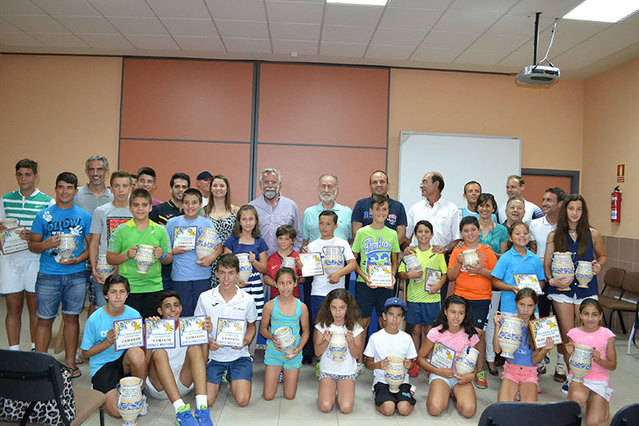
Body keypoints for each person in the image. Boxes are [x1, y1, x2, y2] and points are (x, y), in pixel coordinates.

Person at [29, 172, 92, 378]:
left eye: (69, 187)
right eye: (60, 187)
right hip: (48, 274)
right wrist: (45, 244)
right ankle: (39, 365)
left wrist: (79, 259)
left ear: (76, 190)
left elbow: (91, 246)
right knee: (44, 320)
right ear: (55, 189)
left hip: (76, 275)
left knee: (72, 319)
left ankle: (71, 364)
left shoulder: (84, 216)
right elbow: (33, 245)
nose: (64, 191)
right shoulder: (43, 215)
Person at [544, 195, 606, 390]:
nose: (575, 213)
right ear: (565, 211)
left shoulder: (593, 233)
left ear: (583, 212)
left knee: (585, 333)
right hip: (561, 289)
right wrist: (550, 280)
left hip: (585, 287)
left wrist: (598, 266)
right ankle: (573, 378)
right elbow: (547, 263)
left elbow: (602, 256)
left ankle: (585, 373)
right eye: (571, 209)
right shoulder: (554, 235)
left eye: (579, 209)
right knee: (569, 334)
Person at [0, 159, 54, 351]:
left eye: (28, 174)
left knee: (35, 309)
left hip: (36, 260)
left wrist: (34, 236)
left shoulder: (47, 201)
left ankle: (34, 350)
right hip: (10, 260)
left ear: (36, 176)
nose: (23, 178)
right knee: (13, 308)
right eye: (20, 174)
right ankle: (13, 351)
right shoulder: (5, 199)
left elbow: (50, 233)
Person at [80, 274, 146, 418]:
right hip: (102, 365)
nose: (118, 296)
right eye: (113, 292)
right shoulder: (95, 319)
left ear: (127, 294)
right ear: (106, 295)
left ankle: (139, 394)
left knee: (137, 353)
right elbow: (84, 354)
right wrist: (107, 343)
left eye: (122, 292)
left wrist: (152, 331)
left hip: (124, 362)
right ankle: (102, 388)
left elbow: (140, 345)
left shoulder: (134, 314)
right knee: (118, 413)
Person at [196, 254, 257, 407]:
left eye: (231, 273)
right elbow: (197, 327)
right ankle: (221, 376)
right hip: (214, 356)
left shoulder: (247, 299)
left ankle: (232, 375)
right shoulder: (205, 297)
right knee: (207, 402)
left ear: (237, 274)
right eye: (222, 273)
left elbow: (251, 326)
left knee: (242, 401)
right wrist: (208, 341)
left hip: (239, 355)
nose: (226, 278)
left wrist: (246, 340)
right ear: (216, 273)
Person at [145, 291, 213, 426]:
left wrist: (205, 336)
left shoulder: (190, 325)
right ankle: (180, 410)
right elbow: (145, 365)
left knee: (194, 348)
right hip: (158, 386)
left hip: (183, 384)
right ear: (160, 310)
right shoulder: (153, 326)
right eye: (167, 306)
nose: (173, 309)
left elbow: (203, 361)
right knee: (159, 353)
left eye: (176, 305)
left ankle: (202, 409)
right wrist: (148, 336)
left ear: (181, 308)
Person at [447, 216, 497, 389]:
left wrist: (481, 270)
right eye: (466, 231)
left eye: (473, 230)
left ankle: (478, 370)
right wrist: (458, 262)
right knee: (458, 332)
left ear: (478, 231)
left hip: (482, 298)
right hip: (461, 297)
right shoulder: (457, 251)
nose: (470, 233)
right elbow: (451, 276)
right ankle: (460, 366)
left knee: (477, 335)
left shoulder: (487, 250)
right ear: (461, 233)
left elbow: (495, 274)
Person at [107, 188, 172, 318]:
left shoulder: (160, 230)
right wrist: (126, 256)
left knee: (152, 329)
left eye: (144, 205)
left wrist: (162, 255)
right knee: (132, 330)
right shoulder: (121, 230)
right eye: (136, 205)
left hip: (154, 287)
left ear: (150, 208)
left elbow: (169, 259)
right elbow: (110, 258)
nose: (140, 208)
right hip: (129, 288)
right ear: (130, 207)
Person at [398, 220, 447, 377]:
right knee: (415, 330)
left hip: (432, 299)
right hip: (414, 297)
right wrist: (408, 275)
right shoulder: (410, 253)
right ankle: (413, 362)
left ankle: (426, 360)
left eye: (427, 232)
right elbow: (400, 273)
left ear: (432, 234)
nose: (423, 235)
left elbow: (445, 274)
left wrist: (439, 285)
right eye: (420, 232)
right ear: (415, 235)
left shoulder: (437, 254)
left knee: (429, 331)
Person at [417, 295, 480, 419]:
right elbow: (420, 358)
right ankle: (442, 392)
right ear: (445, 312)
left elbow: (476, 366)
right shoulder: (436, 332)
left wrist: (471, 376)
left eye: (461, 313)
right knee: (435, 409)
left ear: (465, 314)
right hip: (440, 374)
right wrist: (437, 371)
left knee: (469, 411)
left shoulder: (471, 335)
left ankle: (454, 394)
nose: (456, 317)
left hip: (461, 377)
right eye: (453, 312)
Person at [165, 189, 222, 316]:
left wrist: (211, 258)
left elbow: (219, 247)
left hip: (202, 276)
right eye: (186, 203)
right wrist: (173, 251)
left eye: (194, 203)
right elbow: (163, 249)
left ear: (201, 204)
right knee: (182, 314)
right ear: (181, 204)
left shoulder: (207, 223)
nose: (190, 206)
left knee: (201, 315)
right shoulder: (172, 223)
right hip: (180, 277)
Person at [529, 187, 566, 376]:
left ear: (560, 204)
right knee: (541, 320)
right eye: (543, 199)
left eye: (549, 200)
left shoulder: (568, 226)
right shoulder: (534, 225)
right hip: (541, 281)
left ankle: (561, 362)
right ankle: (541, 358)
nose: (544, 203)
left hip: (562, 282)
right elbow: (532, 252)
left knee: (562, 321)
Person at [493, 288, 554, 402]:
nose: (525, 309)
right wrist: (497, 326)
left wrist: (545, 350)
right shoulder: (508, 322)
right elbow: (497, 350)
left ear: (535, 306)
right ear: (516, 303)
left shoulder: (538, 327)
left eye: (530, 306)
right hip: (510, 370)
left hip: (529, 372)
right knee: (503, 409)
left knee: (528, 411)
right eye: (522, 304)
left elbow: (535, 360)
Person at [352, 194, 400, 335]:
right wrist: (365, 277)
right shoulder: (362, 233)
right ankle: (359, 357)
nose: (381, 213)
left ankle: (381, 357)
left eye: (384, 209)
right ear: (371, 211)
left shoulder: (392, 234)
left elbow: (395, 261)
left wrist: (392, 276)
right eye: (377, 209)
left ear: (388, 211)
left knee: (384, 322)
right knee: (363, 323)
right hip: (365, 283)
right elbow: (353, 260)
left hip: (385, 285)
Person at [260, 267, 310, 400]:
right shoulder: (269, 306)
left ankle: (285, 373)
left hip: (293, 354)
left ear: (295, 283)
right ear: (276, 284)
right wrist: (272, 337)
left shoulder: (302, 307)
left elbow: (306, 332)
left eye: (289, 282)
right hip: (274, 353)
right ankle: (277, 371)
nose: (285, 287)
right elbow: (263, 330)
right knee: (268, 396)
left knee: (289, 396)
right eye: (281, 283)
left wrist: (298, 349)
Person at [363, 297, 417, 417]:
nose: (395, 319)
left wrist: (410, 364)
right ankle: (379, 394)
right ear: (384, 316)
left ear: (403, 318)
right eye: (391, 315)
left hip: (402, 380)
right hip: (382, 380)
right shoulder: (375, 337)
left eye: (399, 315)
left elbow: (412, 362)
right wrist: (378, 365)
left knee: (404, 410)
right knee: (388, 409)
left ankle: (404, 395)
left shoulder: (407, 338)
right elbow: (368, 363)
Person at [566, 299, 616, 426]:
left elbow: (613, 365)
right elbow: (570, 363)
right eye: (586, 314)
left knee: (594, 422)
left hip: (599, 380)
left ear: (600, 316)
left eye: (594, 314)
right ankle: (586, 397)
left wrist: (599, 360)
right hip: (579, 378)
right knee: (577, 400)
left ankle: (601, 401)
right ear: (581, 315)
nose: (590, 318)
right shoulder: (573, 333)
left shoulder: (607, 335)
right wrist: (569, 352)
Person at [88, 171, 132, 313]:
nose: (121, 190)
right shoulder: (101, 211)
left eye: (125, 186)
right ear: (110, 188)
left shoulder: (136, 211)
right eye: (117, 186)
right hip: (104, 269)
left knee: (127, 312)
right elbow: (94, 242)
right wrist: (94, 268)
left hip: (128, 267)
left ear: (131, 188)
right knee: (103, 310)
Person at [314, 288, 364, 414]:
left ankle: (342, 391)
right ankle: (329, 391)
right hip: (327, 371)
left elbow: (357, 355)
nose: (337, 312)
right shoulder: (322, 325)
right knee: (325, 407)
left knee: (346, 408)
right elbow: (317, 352)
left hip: (346, 372)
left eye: (342, 308)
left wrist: (351, 342)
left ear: (348, 308)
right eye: (333, 308)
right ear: (328, 308)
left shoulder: (355, 327)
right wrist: (325, 341)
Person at [476, 193, 509, 376]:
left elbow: (503, 258)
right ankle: (471, 360)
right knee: (475, 324)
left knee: (490, 322)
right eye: (481, 206)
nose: (484, 209)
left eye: (488, 205)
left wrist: (490, 253)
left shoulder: (502, 231)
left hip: (493, 281)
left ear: (493, 208)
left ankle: (490, 358)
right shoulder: (472, 226)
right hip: (474, 282)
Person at [305, 210, 356, 323]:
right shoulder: (312, 246)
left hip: (338, 292)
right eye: (321, 223)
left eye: (328, 224)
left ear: (335, 226)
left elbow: (352, 264)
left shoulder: (342, 243)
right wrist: (302, 264)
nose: (324, 227)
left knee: (337, 324)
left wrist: (339, 273)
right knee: (319, 326)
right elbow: (310, 271)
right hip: (318, 292)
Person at [223, 205, 268, 325]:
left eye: (251, 219)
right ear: (239, 222)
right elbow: (225, 266)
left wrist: (254, 262)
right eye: (244, 219)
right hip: (235, 284)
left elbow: (264, 268)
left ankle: (250, 344)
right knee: (236, 317)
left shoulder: (260, 241)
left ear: (256, 221)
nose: (248, 223)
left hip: (255, 285)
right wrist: (235, 280)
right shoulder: (232, 240)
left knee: (253, 320)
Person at [491, 222, 546, 316]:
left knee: (529, 331)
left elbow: (541, 281)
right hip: (509, 308)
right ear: (510, 238)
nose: (522, 236)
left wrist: (535, 291)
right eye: (517, 233)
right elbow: (495, 281)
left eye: (525, 233)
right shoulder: (505, 258)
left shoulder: (535, 259)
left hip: (531, 309)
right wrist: (511, 288)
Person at [249, 168, 302, 255]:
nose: (270, 186)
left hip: (284, 261)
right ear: (260, 184)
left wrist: (293, 254)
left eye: (273, 182)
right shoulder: (252, 206)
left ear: (279, 185)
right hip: (260, 261)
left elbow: (298, 234)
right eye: (266, 182)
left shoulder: (291, 205)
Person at [405, 172, 459, 253]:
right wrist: (406, 248)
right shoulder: (415, 208)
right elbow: (405, 236)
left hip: (441, 258)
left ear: (436, 184)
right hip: (417, 259)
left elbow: (457, 239)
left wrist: (445, 249)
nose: (421, 186)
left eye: (425, 182)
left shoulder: (452, 209)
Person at [351, 170, 407, 245]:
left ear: (388, 185)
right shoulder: (360, 204)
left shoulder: (398, 206)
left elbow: (401, 235)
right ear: (370, 186)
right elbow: (356, 233)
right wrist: (372, 248)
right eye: (375, 182)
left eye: (382, 182)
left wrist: (384, 248)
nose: (378, 185)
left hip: (389, 253)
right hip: (366, 253)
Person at [202, 174, 238, 288]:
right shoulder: (204, 212)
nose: (218, 188)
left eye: (222, 186)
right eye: (215, 185)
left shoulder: (236, 210)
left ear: (227, 189)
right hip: (210, 260)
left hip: (231, 259)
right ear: (211, 188)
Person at [301, 174, 352, 244]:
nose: (326, 190)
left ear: (336, 189)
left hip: (341, 254)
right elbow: (304, 241)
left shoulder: (347, 212)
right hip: (316, 254)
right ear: (318, 188)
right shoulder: (309, 213)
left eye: (330, 186)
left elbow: (352, 240)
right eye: (323, 186)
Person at [264, 224, 302, 300]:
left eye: (286, 239)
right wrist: (277, 285)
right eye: (280, 238)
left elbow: (303, 279)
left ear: (293, 240)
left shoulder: (298, 258)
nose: (283, 242)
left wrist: (297, 275)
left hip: (294, 298)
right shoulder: (271, 258)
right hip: (275, 298)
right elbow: (266, 278)